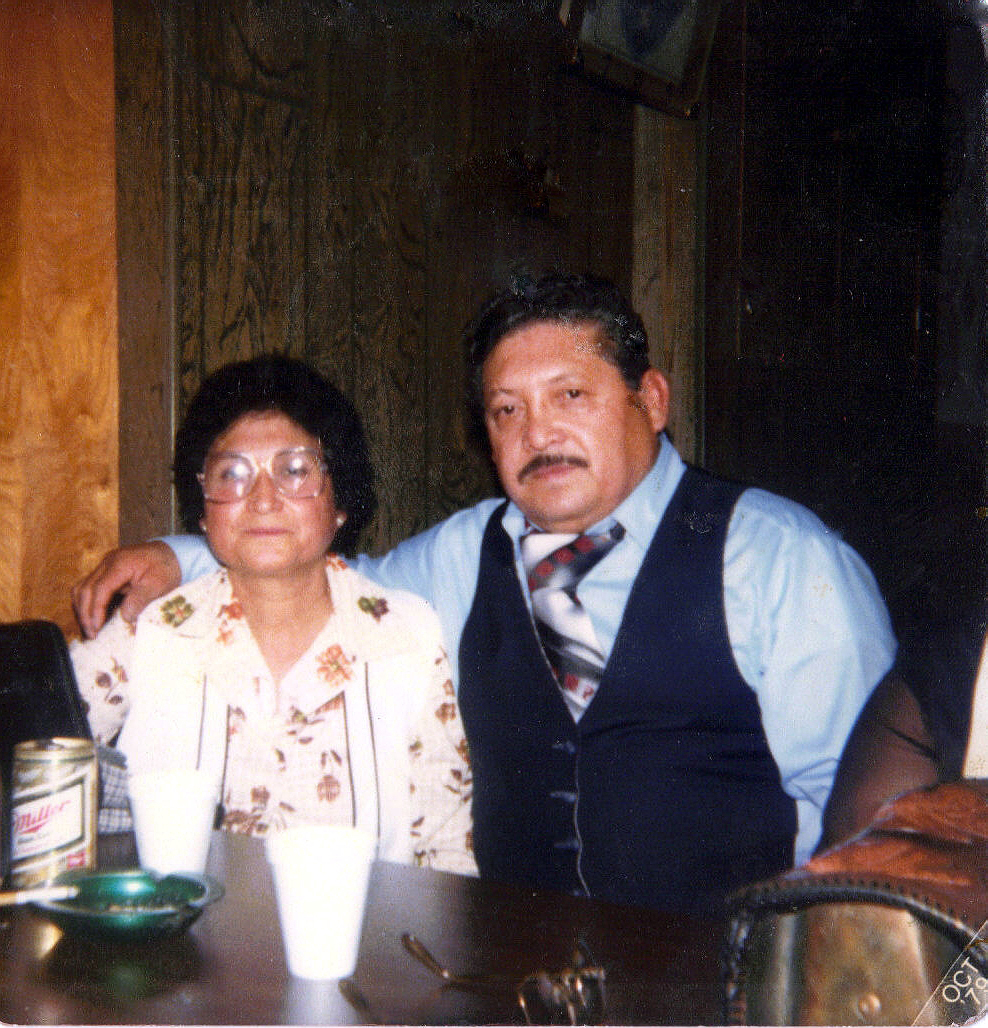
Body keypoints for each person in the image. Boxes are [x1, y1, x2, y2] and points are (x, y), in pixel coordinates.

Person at [74, 273, 896, 914]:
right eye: (507, 410)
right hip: (510, 980)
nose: (538, 433)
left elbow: (880, 825)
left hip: (717, 988)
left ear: (650, 400)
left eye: (570, 396)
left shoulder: (780, 559)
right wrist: (179, 555)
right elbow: (315, 577)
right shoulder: (462, 556)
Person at [70, 354, 475, 875]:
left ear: (340, 502)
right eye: (232, 474)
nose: (263, 499)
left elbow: (447, 848)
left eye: (294, 471)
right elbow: (36, 756)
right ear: (203, 509)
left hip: (364, 928)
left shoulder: (407, 635)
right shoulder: (149, 627)